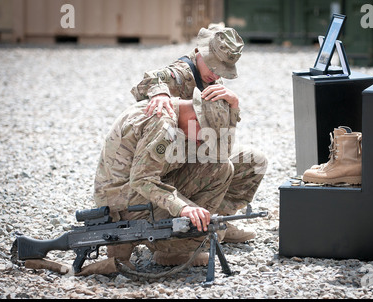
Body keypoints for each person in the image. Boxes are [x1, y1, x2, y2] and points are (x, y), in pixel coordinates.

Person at [94, 25, 267, 268]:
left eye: (223, 70)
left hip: (160, 163)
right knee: (215, 165)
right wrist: (160, 93)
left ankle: (210, 222)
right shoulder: (177, 84)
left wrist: (234, 106)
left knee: (243, 161)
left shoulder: (208, 92)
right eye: (214, 65)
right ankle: (177, 242)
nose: (217, 74)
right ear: (200, 53)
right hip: (134, 183)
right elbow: (151, 81)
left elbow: (220, 150)